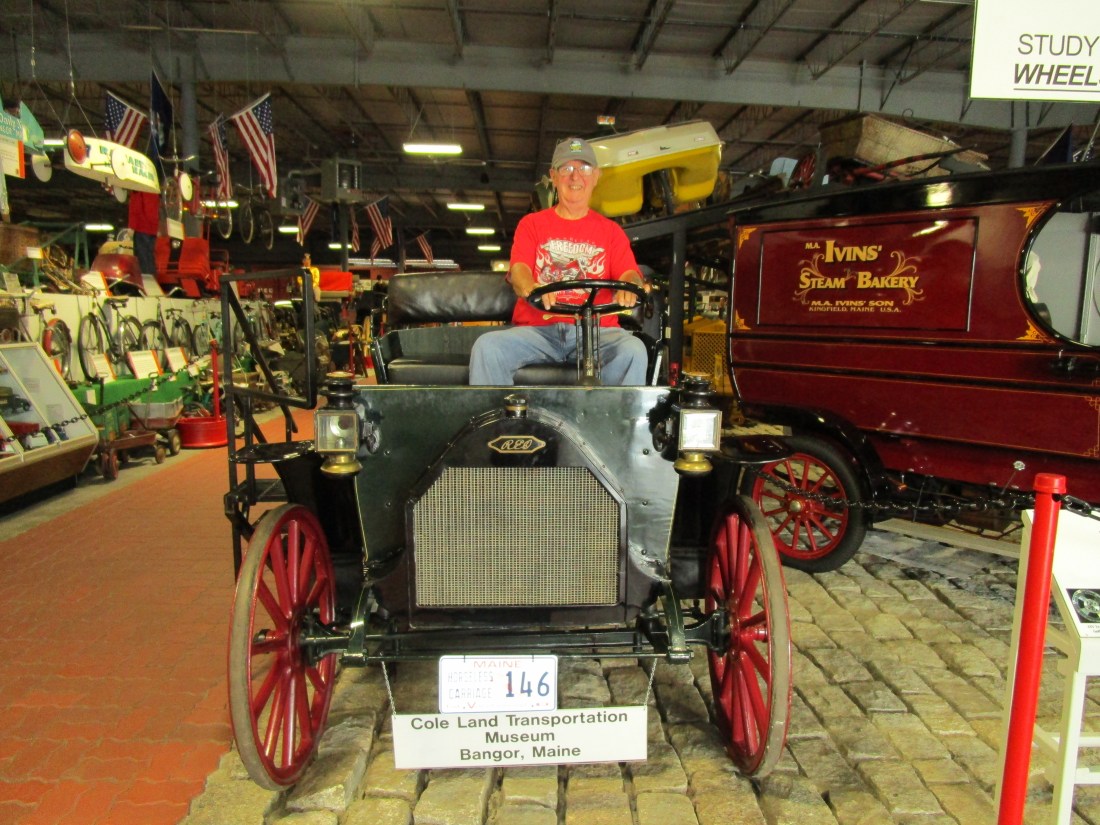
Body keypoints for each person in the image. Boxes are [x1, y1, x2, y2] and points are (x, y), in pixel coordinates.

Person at [469, 136, 649, 385]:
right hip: (538, 331)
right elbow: (519, 271)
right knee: (487, 347)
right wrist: (532, 287)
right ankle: (499, 425)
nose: (575, 177)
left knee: (633, 350)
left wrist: (632, 286)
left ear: (596, 176)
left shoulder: (611, 232)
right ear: (553, 176)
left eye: (584, 168)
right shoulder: (531, 224)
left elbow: (629, 274)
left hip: (596, 333)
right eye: (567, 169)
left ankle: (608, 423)